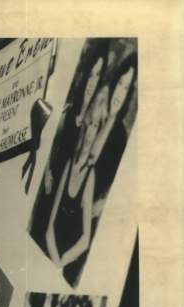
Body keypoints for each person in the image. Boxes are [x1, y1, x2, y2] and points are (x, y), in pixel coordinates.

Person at [29, 41, 108, 256]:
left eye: (98, 75)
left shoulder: (93, 118)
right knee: (36, 234)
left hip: (65, 192)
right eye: (91, 74)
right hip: (50, 183)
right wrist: (46, 174)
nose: (93, 81)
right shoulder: (69, 109)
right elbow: (47, 143)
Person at [45, 82, 108, 285]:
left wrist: (62, 262)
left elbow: (85, 241)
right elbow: (49, 227)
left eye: (96, 126)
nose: (91, 132)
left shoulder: (91, 175)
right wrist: (54, 262)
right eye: (90, 124)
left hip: (66, 261)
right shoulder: (69, 164)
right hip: (50, 253)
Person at [90, 52, 137, 214]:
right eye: (120, 83)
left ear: (129, 93)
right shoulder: (95, 110)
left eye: (126, 88)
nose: (120, 92)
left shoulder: (120, 138)